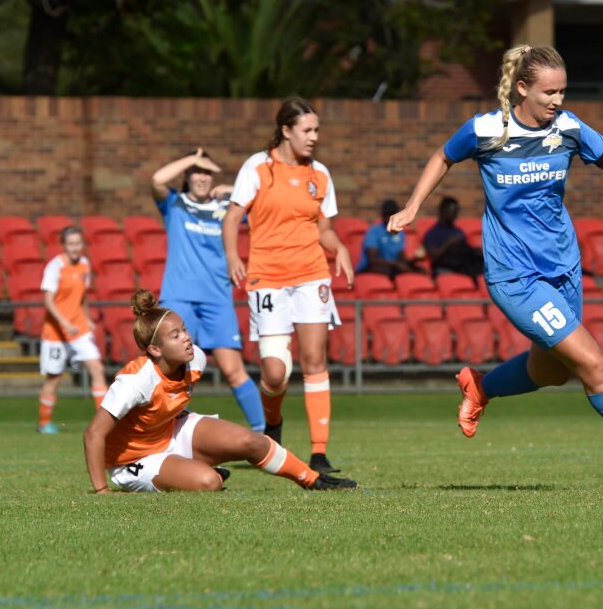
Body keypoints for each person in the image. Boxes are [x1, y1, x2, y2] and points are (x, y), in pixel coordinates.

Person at [388, 44, 603, 487]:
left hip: (563, 269)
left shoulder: (569, 129)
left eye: (563, 91)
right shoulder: (486, 130)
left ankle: (481, 387)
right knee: (594, 366)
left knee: (552, 371)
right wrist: (412, 207)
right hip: (515, 276)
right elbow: (443, 157)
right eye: (549, 93)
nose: (558, 101)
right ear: (522, 88)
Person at [83, 290, 355, 492]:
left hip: (172, 430)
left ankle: (312, 480)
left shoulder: (195, 359)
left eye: (185, 330)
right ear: (155, 349)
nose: (186, 338)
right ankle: (196, 472)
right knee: (208, 482)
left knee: (252, 442)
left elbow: (169, 402)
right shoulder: (135, 380)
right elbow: (94, 433)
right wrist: (101, 491)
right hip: (135, 460)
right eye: (175, 335)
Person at [222, 97, 354, 475]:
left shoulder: (320, 175)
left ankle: (318, 452)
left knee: (315, 361)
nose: (313, 138)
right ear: (286, 130)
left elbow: (324, 229)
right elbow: (232, 219)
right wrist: (234, 258)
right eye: (307, 130)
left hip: (312, 275)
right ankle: (273, 424)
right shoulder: (258, 167)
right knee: (275, 372)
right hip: (268, 278)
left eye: (317, 131)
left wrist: (339, 247)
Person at [150, 148, 265, 433]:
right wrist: (192, 159)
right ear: (188, 176)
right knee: (170, 371)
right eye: (197, 172)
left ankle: (265, 435)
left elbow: (264, 207)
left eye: (207, 172)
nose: (202, 177)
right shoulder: (175, 204)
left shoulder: (227, 207)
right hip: (179, 297)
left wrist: (234, 189)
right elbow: (157, 179)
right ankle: (157, 434)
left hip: (217, 299)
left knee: (232, 370)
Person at [36, 227, 108, 433]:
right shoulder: (54, 267)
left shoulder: (85, 264)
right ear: (64, 245)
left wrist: (87, 318)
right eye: (71, 244)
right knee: (55, 377)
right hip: (55, 332)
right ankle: (44, 423)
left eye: (78, 243)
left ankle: (102, 423)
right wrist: (64, 322)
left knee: (96, 367)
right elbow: (48, 302)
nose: (76, 248)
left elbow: (82, 296)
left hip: (79, 329)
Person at [355, 199, 425, 277]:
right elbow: (373, 259)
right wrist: (396, 264)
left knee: (421, 270)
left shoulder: (400, 232)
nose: (390, 218)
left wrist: (414, 260)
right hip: (369, 268)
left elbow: (401, 258)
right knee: (391, 271)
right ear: (382, 215)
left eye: (393, 214)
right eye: (387, 214)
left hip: (392, 266)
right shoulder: (374, 231)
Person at [423, 196, 484, 279]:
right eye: (453, 212)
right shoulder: (433, 233)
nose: (455, 215)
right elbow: (434, 257)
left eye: (456, 212)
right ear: (443, 211)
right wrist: (449, 243)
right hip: (445, 267)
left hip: (463, 265)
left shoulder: (458, 231)